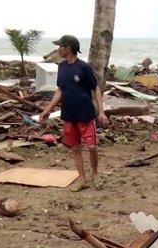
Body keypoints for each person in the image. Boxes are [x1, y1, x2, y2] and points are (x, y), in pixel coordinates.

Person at [39, 34, 109, 192]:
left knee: (91, 147)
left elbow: (95, 88)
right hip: (69, 114)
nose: (58, 49)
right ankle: (82, 178)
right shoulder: (62, 67)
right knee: (75, 148)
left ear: (68, 48)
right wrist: (47, 110)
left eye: (60, 46)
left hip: (86, 114)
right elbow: (60, 90)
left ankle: (95, 175)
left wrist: (101, 112)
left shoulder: (83, 67)